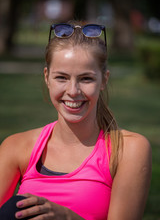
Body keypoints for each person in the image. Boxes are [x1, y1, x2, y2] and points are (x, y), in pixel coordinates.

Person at [0, 21, 152, 220]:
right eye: (61, 78)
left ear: (104, 80)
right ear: (47, 78)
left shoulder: (128, 149)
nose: (73, 91)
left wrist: (68, 217)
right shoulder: (17, 147)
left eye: (86, 79)